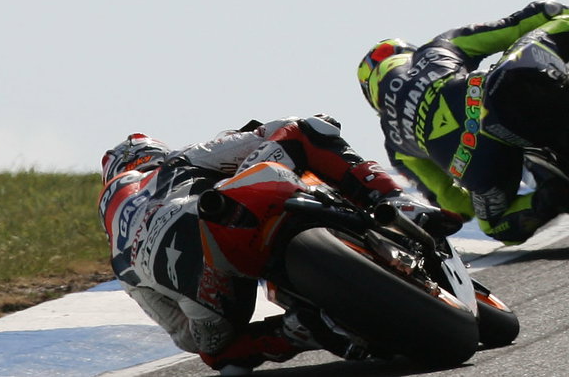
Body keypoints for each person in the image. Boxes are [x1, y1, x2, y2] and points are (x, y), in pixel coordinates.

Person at [97, 115, 448, 375]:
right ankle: (395, 201)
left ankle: (297, 332)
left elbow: (184, 335)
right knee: (305, 129)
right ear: (149, 155)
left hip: (202, 285)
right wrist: (257, 133)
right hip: (214, 215)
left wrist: (209, 332)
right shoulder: (174, 163)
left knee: (217, 352)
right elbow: (268, 135)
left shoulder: (119, 256)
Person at [355, 0, 569, 245]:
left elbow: (453, 205)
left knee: (495, 226)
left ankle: (551, 197)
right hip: (492, 94)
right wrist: (549, 14)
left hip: (477, 162)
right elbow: (521, 23)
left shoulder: (394, 141)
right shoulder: (433, 50)